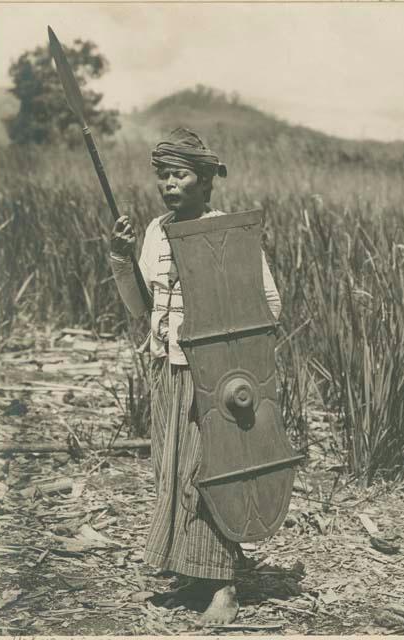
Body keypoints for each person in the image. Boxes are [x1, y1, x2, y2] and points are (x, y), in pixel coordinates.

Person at [109, 128, 281, 626]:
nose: (169, 184)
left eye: (180, 174)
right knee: (173, 469)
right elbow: (140, 306)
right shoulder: (155, 232)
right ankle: (194, 574)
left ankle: (224, 585)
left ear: (206, 181)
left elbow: (269, 304)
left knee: (209, 473)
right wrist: (121, 259)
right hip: (169, 369)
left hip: (217, 381)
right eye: (163, 176)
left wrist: (225, 343)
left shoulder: (226, 232)